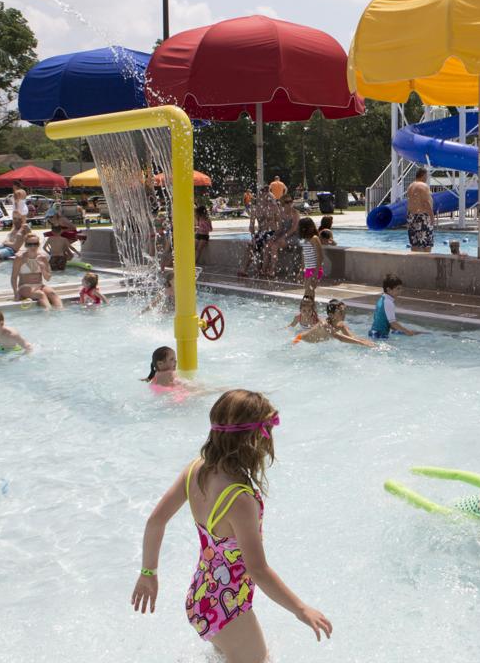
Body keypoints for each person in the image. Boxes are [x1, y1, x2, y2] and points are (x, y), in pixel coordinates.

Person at [130, 389, 332, 659]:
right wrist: (300, 609)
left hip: (203, 598)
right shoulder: (239, 499)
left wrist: (148, 573)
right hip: (227, 609)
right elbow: (257, 570)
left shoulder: (195, 469)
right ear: (251, 440)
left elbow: (156, 521)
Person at [11, 232, 63, 310]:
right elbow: (14, 277)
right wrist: (15, 293)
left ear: (38, 244)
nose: (33, 246)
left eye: (35, 244)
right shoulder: (20, 258)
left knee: (53, 293)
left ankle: (60, 312)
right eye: (29, 244)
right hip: (25, 286)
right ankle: (48, 315)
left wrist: (43, 268)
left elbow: (48, 278)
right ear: (25, 245)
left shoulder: (42, 257)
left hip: (40, 285)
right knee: (41, 294)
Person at [295, 299, 375, 347]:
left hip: (311, 344)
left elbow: (352, 337)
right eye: (340, 312)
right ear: (331, 314)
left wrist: (367, 342)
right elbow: (339, 337)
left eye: (344, 311)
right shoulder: (324, 324)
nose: (343, 314)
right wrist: (361, 343)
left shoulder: (340, 325)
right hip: (299, 339)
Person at [369, 273, 418, 339]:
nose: (401, 291)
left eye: (401, 288)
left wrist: (400, 330)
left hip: (373, 333)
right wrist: (407, 332)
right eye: (398, 289)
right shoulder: (389, 303)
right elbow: (393, 323)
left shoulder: (382, 299)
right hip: (380, 335)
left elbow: (379, 318)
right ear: (388, 289)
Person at [267, 193, 300, 278]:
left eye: (291, 201)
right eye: (287, 202)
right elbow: (280, 228)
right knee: (268, 245)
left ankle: (272, 270)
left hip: (294, 237)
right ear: (283, 204)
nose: (290, 203)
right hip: (284, 236)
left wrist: (282, 237)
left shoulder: (295, 213)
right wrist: (273, 236)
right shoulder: (281, 213)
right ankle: (264, 268)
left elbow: (294, 228)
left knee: (275, 246)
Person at [405, 168, 434, 253]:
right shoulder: (423, 186)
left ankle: (415, 262)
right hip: (422, 217)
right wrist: (432, 216)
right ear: (423, 175)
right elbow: (426, 202)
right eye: (426, 176)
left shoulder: (410, 186)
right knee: (427, 243)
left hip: (411, 216)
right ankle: (426, 262)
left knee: (414, 243)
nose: (426, 178)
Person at [298, 217, 324, 298]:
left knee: (308, 291)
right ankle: (311, 309)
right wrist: (301, 269)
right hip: (309, 269)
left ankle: (309, 309)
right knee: (308, 291)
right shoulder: (305, 240)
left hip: (315, 269)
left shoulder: (314, 239)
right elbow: (304, 256)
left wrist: (315, 273)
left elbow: (320, 256)